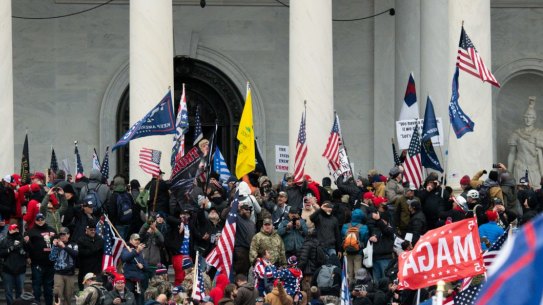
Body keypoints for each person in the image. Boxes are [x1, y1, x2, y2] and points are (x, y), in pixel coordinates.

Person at [507, 96, 543, 183]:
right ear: (523, 118)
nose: (528, 119)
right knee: (520, 192)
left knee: (535, 192)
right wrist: (508, 172)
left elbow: (540, 155)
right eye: (526, 117)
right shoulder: (517, 134)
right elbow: (512, 154)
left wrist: (542, 173)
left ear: (534, 119)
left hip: (535, 169)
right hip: (520, 167)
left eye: (530, 117)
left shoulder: (539, 133)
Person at [24, 213, 57, 305]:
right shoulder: (30, 232)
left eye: (42, 219)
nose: (40, 221)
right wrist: (26, 244)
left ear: (44, 219)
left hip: (50, 264)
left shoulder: (52, 230)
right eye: (38, 219)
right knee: (36, 287)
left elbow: (57, 245)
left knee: (48, 288)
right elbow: (26, 248)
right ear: (35, 220)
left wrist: (56, 240)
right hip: (37, 264)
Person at [49, 227, 78, 305]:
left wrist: (64, 247)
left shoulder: (73, 244)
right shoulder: (56, 244)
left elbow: (76, 255)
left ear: (68, 235)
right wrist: (54, 247)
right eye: (60, 235)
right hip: (58, 274)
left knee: (68, 297)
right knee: (56, 295)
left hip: (70, 274)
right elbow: (51, 258)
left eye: (64, 234)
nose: (62, 236)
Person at [0, 224, 27, 305]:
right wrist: (10, 249)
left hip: (20, 269)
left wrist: (23, 251)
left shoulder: (23, 240)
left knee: (20, 292)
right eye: (13, 229)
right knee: (8, 292)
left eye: (16, 229)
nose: (15, 230)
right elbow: (1, 253)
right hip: (7, 270)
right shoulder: (4, 240)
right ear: (10, 230)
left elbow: (29, 252)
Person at [340, 209, 369, 281]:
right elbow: (365, 241)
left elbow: (342, 238)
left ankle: (348, 288)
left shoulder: (345, 226)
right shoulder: (364, 227)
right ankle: (356, 288)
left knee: (349, 273)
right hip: (358, 252)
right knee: (357, 272)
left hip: (347, 252)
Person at [121, 234, 148, 305]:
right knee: (128, 301)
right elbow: (125, 258)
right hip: (129, 281)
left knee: (140, 301)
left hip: (139, 281)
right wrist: (136, 251)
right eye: (135, 240)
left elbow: (146, 265)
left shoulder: (141, 252)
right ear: (130, 240)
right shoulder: (126, 249)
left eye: (138, 240)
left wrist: (143, 266)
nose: (137, 241)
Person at [77, 221, 104, 290]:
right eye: (91, 230)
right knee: (84, 289)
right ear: (86, 230)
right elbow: (83, 253)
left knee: (96, 289)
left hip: (96, 269)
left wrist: (90, 248)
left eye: (94, 230)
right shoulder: (81, 239)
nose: (93, 231)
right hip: (84, 269)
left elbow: (101, 252)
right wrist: (95, 248)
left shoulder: (99, 239)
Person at [233, 202, 256, 276]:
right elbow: (225, 215)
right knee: (239, 271)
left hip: (249, 250)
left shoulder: (252, 223)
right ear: (241, 210)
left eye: (249, 209)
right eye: (246, 209)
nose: (248, 211)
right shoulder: (237, 218)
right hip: (239, 249)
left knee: (246, 270)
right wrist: (234, 207)